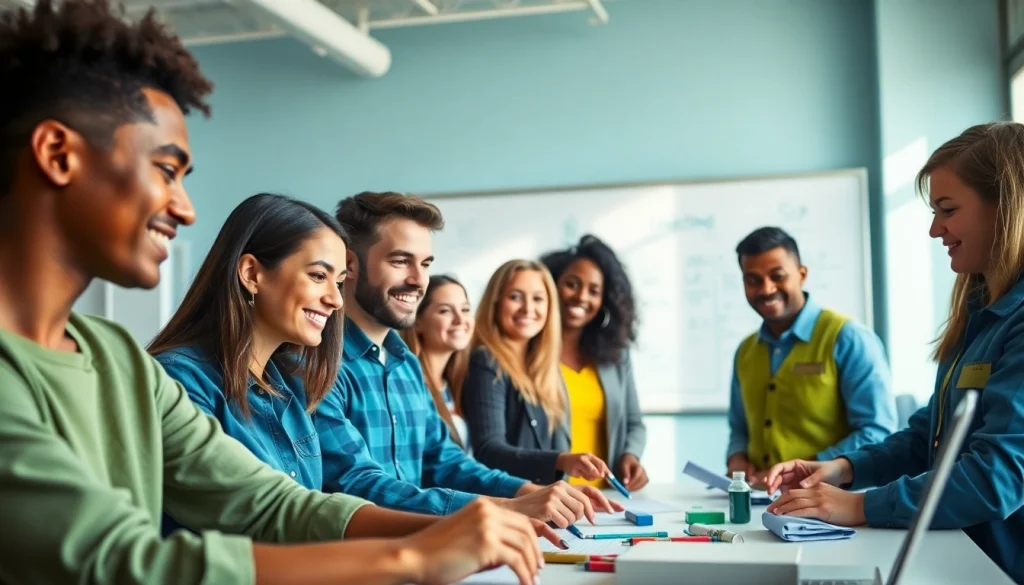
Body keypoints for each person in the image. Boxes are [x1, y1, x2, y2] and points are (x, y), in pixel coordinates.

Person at [0, 2, 547, 584]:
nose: (184, 209)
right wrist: (415, 554)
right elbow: (117, 563)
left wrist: (459, 525)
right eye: (165, 170)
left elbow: (273, 504)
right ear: (58, 154)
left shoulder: (117, 358)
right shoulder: (142, 371)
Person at [765, 122, 1024, 585]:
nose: (934, 229)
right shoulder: (981, 307)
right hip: (957, 555)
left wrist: (860, 505)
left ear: (1004, 209)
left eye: (947, 210)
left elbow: (996, 478)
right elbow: (933, 432)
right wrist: (845, 469)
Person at [321, 191, 620, 525]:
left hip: (426, 553)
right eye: (400, 261)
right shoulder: (321, 363)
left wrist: (525, 492)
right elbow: (357, 485)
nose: (419, 280)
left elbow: (444, 461)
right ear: (349, 264)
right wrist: (502, 508)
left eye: (425, 264)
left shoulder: (405, 363)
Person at [726, 226, 897, 486]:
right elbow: (739, 428)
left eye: (777, 276)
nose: (766, 289)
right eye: (753, 280)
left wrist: (811, 467)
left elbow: (877, 432)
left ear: (802, 274)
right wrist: (737, 458)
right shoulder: (745, 351)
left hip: (835, 501)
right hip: (760, 501)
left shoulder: (848, 338)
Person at [462, 258, 618, 487]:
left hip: (545, 503)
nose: (528, 308)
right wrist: (561, 461)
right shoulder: (486, 362)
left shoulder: (545, 368)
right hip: (511, 505)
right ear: (495, 302)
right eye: (515, 297)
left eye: (538, 299)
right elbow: (489, 450)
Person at [541, 235, 649, 491]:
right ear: (551, 285)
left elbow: (635, 423)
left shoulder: (616, 356)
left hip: (607, 499)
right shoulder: (531, 354)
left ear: (605, 301)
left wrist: (631, 457)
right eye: (571, 284)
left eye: (594, 291)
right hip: (549, 497)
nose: (581, 297)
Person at [399, 274, 473, 450]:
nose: (460, 320)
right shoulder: (409, 386)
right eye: (445, 311)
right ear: (417, 322)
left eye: (465, 309)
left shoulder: (459, 383)